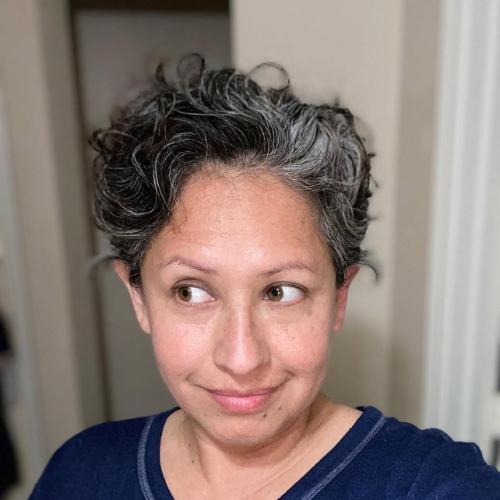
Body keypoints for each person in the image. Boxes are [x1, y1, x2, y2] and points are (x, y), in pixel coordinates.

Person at [31, 55, 500, 499]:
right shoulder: (79, 474)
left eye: (280, 292)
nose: (241, 360)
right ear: (139, 298)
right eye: (190, 291)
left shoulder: (437, 486)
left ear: (339, 298)